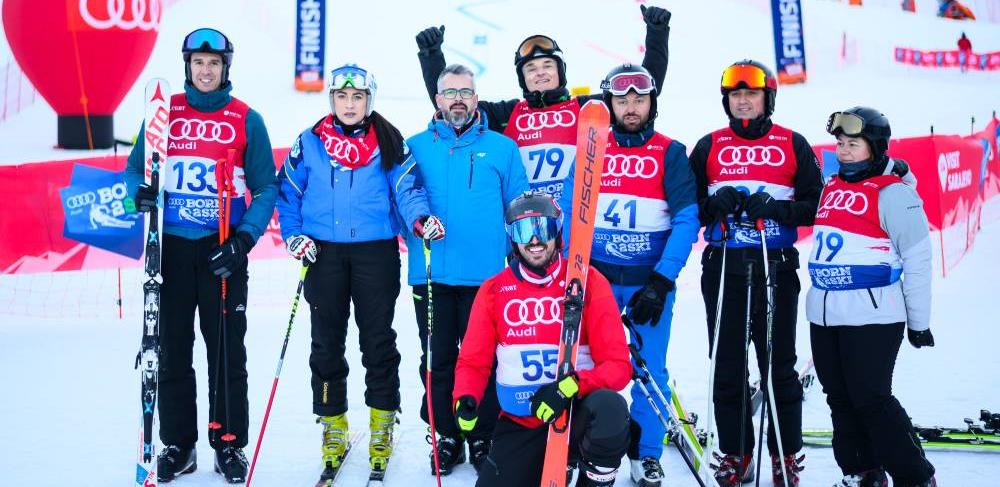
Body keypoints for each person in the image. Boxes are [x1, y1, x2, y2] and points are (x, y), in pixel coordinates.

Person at [124, 28, 278, 483]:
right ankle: (179, 444)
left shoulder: (246, 118)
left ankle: (228, 444)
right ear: (187, 66)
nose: (205, 71)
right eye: (198, 63)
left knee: (226, 351)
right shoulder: (163, 113)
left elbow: (266, 187)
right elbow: (134, 169)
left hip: (222, 248)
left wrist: (243, 240)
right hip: (170, 249)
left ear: (225, 67)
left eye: (213, 63)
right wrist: (139, 194)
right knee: (171, 348)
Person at [275, 63, 440, 478]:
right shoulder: (309, 142)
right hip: (323, 253)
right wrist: (294, 236)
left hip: (374, 253)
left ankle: (382, 422)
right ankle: (333, 424)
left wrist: (420, 220)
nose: (350, 104)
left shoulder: (388, 140)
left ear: (369, 100)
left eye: (358, 97)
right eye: (342, 96)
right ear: (332, 99)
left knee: (377, 340)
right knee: (326, 342)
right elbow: (288, 194)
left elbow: (408, 190)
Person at [557, 64, 698, 486]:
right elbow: (570, 211)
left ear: (652, 103)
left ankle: (645, 452)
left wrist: (662, 280)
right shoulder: (591, 148)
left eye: (640, 99)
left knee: (650, 369)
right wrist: (575, 271)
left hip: (647, 282)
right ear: (610, 104)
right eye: (622, 100)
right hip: (597, 282)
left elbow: (687, 220)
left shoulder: (670, 152)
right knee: (583, 364)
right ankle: (578, 444)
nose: (631, 107)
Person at [688, 59, 823, 487]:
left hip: (775, 266)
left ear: (768, 99)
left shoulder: (792, 143)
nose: (743, 101)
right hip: (724, 266)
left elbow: (816, 205)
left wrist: (779, 209)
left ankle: (785, 454)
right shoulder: (709, 146)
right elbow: (688, 208)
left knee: (778, 366)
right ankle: (737, 453)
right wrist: (713, 205)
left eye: (751, 94)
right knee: (727, 365)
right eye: (736, 94)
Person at [453, 192, 633, 487]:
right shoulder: (494, 291)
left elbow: (618, 366)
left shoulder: (589, 282)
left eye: (543, 229)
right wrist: (466, 397)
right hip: (522, 422)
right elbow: (473, 360)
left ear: (557, 233)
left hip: (577, 416)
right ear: (513, 238)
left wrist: (568, 388)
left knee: (610, 410)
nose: (534, 240)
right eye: (524, 231)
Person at [404, 63, 530, 476]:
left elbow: (518, 209)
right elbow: (401, 201)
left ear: (476, 99)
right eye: (450, 92)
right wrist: (417, 226)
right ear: (438, 99)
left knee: (485, 359)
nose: (458, 99)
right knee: (437, 360)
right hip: (432, 275)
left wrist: (515, 258)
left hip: (487, 279)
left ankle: (481, 434)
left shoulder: (502, 148)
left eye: (465, 92)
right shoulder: (415, 146)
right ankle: (446, 435)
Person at [413, 4, 671, 201]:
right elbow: (455, 108)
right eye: (531, 68)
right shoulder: (508, 113)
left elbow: (639, 94)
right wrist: (431, 57)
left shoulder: (585, 109)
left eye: (548, 65)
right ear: (523, 78)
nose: (540, 73)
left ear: (560, 71)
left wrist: (657, 36)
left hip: (575, 219)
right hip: (526, 224)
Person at [807, 107, 937, 487]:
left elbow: (918, 259)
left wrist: (919, 322)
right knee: (839, 398)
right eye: (840, 144)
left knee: (871, 398)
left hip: (873, 314)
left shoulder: (894, 194)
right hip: (825, 313)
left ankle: (915, 477)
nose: (844, 151)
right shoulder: (832, 186)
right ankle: (862, 472)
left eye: (854, 144)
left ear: (876, 148)